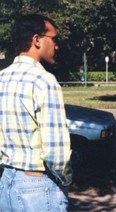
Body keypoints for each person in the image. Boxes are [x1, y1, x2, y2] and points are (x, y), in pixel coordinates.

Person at [0, 14, 72, 211]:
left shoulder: (2, 78)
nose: (56, 46)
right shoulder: (44, 81)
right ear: (37, 40)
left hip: (6, 183)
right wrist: (65, 180)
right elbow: (56, 151)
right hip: (37, 186)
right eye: (54, 39)